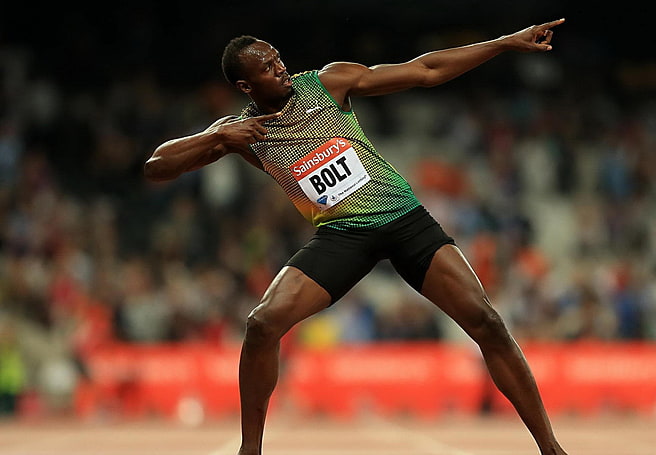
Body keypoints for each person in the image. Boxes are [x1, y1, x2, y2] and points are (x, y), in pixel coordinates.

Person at [145, 18, 568, 455]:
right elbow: (156, 167)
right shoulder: (239, 133)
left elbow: (425, 70)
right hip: (341, 234)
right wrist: (218, 135)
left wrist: (503, 43)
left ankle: (551, 448)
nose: (281, 68)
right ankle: (250, 449)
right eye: (268, 68)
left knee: (488, 322)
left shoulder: (329, 83)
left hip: (402, 217)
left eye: (278, 59)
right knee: (261, 324)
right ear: (245, 86)